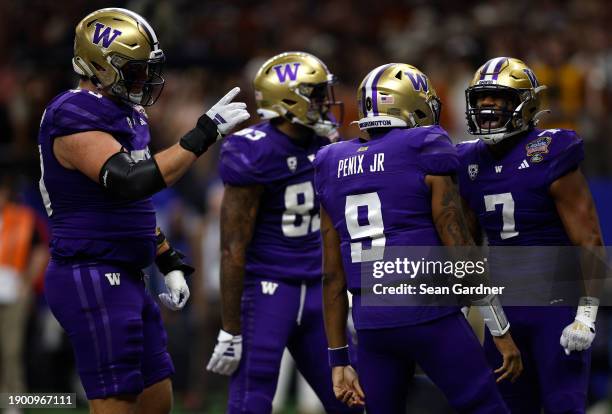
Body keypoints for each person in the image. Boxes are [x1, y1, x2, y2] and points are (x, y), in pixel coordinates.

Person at [38, 8, 249, 414]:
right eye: (132, 70)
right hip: (92, 274)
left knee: (157, 402)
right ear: (98, 66)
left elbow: (129, 206)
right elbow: (130, 180)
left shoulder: (127, 113)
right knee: (118, 401)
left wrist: (166, 256)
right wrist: (203, 134)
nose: (143, 80)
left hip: (129, 276)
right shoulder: (73, 112)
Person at [314, 63, 522, 413]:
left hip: (372, 325)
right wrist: (499, 329)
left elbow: (331, 275)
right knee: (484, 406)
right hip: (428, 314)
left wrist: (338, 359)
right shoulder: (424, 145)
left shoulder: (330, 162)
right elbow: (460, 249)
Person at [207, 51, 359, 414]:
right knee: (251, 401)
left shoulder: (327, 143)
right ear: (290, 99)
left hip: (321, 292)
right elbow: (232, 248)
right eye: (317, 94)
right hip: (267, 290)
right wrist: (230, 328)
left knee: (355, 398)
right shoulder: (251, 150)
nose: (326, 102)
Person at [456, 57, 605, 413]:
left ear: (526, 104)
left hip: (555, 306)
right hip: (502, 314)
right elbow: (465, 247)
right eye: (480, 100)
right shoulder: (465, 160)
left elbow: (590, 241)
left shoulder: (551, 151)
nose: (486, 107)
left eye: (498, 99)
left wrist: (586, 314)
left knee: (563, 406)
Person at [0, 174, 48, 414]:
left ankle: (13, 402)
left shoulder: (23, 218)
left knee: (11, 349)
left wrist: (27, 283)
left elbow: (40, 251)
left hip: (13, 293)